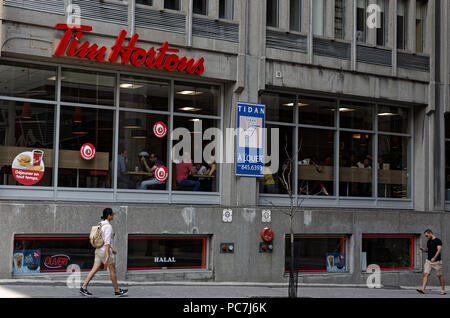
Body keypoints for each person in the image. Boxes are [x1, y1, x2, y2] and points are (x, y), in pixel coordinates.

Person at [80, 208, 128, 297]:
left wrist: (112, 249)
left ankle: (83, 287)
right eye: (112, 214)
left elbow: (102, 239)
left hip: (98, 250)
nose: (113, 216)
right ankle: (117, 291)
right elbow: (107, 242)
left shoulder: (100, 223)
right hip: (104, 252)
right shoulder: (108, 226)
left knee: (94, 269)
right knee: (113, 271)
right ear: (109, 216)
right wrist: (107, 255)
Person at [417, 229, 446, 295]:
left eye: (427, 235)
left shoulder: (438, 241)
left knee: (439, 276)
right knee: (426, 274)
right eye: (425, 236)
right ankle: (423, 289)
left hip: (437, 262)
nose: (426, 237)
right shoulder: (429, 241)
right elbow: (429, 250)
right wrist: (424, 250)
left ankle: (443, 290)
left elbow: (439, 250)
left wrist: (434, 258)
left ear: (430, 233)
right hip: (429, 261)